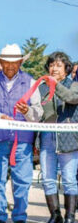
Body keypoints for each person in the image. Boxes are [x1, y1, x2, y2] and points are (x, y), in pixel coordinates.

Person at [0, 44, 43, 223]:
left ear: (20, 62)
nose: (10, 66)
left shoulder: (30, 81)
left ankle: (19, 217)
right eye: (6, 62)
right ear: (0, 62)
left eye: (15, 62)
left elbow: (38, 113)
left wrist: (27, 111)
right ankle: (0, 216)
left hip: (22, 141)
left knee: (22, 181)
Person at [38, 52, 78, 223]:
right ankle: (55, 215)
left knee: (69, 179)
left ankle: (70, 216)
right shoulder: (42, 88)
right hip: (47, 138)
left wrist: (55, 85)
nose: (54, 68)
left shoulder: (74, 85)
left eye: (59, 65)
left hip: (68, 139)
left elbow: (72, 98)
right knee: (47, 178)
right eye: (52, 65)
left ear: (67, 69)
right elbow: (40, 114)